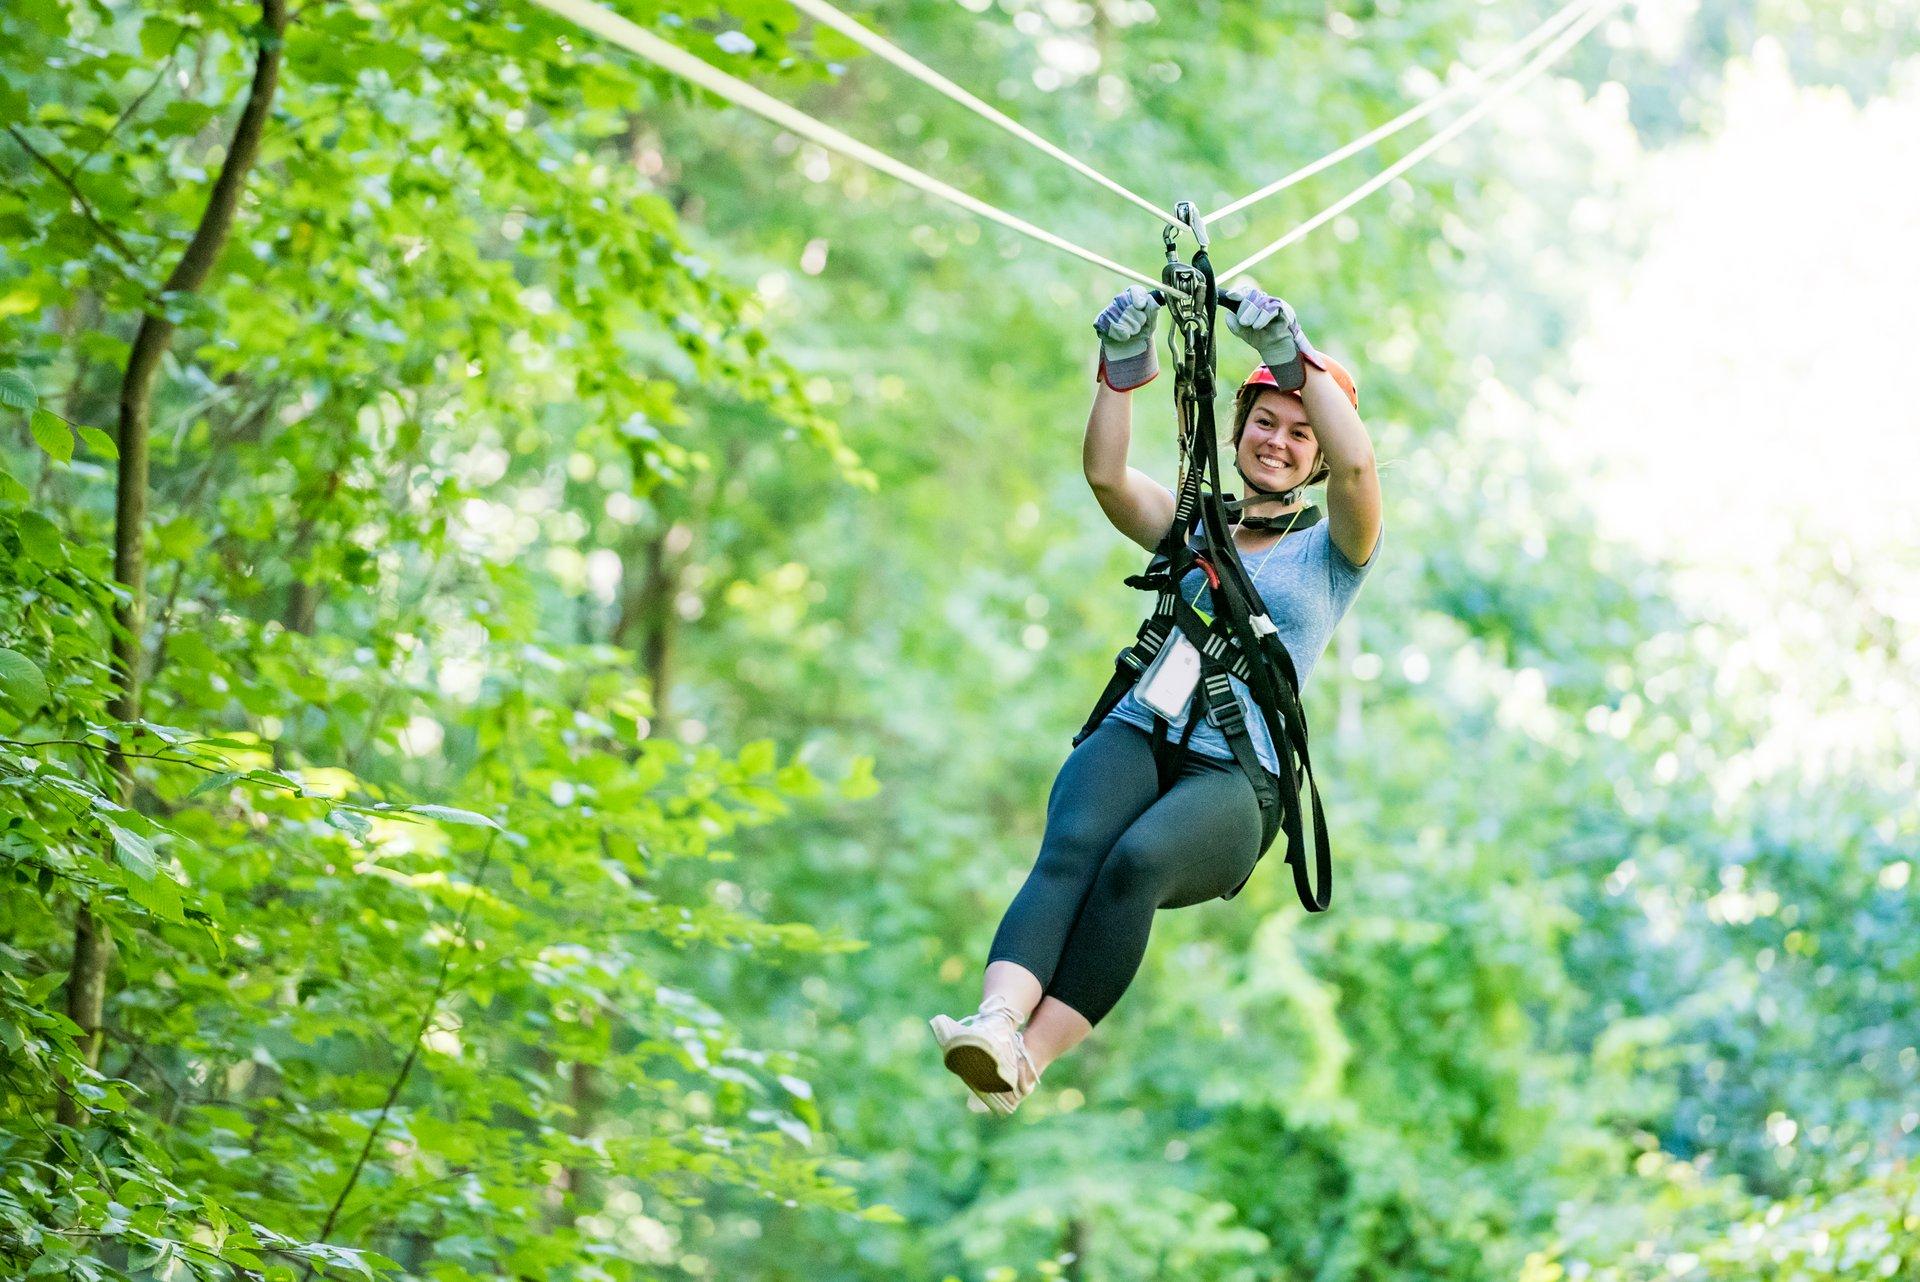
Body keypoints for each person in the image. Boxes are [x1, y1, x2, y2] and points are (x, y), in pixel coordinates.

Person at [928, 284, 1384, 1114]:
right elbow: (1105, 478)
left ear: (1316, 458)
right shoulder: (1193, 525)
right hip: (1144, 725)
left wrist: (1295, 354)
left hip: (1235, 780)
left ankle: (1026, 1061)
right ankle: (994, 1022)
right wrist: (1120, 371)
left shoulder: (1335, 553)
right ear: (1238, 428)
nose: (1277, 441)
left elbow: (1360, 466)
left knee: (1134, 863)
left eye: (1299, 432)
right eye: (1264, 421)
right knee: (1073, 847)